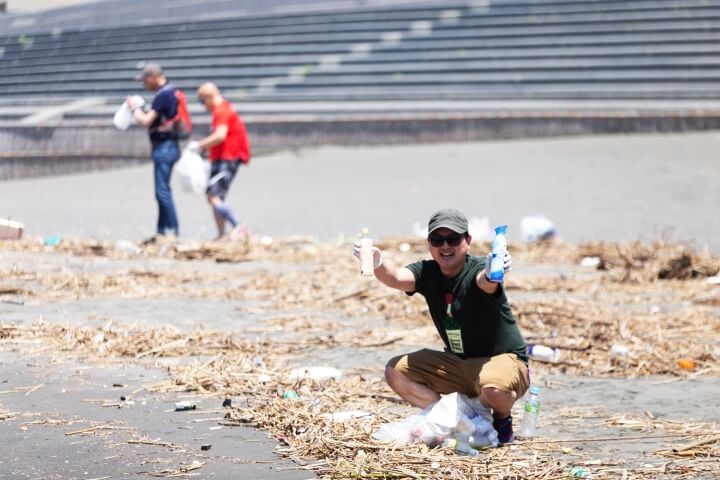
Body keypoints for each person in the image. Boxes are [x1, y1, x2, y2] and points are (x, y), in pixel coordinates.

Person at [353, 209, 528, 444]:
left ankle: (502, 421)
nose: (445, 245)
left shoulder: (476, 268)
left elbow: (485, 282)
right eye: (438, 239)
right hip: (459, 363)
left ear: (467, 241)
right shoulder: (427, 272)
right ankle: (452, 417)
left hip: (501, 360)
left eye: (453, 239)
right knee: (396, 371)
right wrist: (377, 263)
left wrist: (493, 272)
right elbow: (395, 277)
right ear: (430, 244)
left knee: (493, 387)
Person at [187, 82, 251, 239]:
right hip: (221, 157)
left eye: (202, 101)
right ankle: (221, 234)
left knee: (213, 196)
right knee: (217, 197)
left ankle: (238, 226)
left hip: (227, 158)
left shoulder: (222, 111)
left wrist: (199, 145)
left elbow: (220, 135)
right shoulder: (223, 109)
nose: (203, 106)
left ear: (209, 97)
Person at [126, 63, 181, 241]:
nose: (144, 85)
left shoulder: (163, 94)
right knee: (161, 191)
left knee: (162, 190)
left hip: (165, 146)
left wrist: (134, 108)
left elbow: (146, 121)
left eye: (144, 81)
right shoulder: (170, 91)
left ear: (153, 77)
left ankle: (171, 231)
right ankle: (162, 231)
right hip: (169, 145)